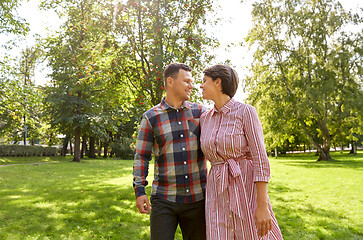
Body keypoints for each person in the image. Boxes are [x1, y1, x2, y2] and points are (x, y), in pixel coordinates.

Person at [199, 64, 283, 240]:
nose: (201, 85)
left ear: (218, 82)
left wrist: (262, 206)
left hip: (245, 189)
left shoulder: (246, 112)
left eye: (204, 81)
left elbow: (260, 160)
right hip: (216, 192)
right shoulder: (205, 119)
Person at [133, 63, 207, 240]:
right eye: (187, 81)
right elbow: (141, 156)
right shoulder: (151, 117)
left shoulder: (200, 112)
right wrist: (140, 190)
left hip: (198, 199)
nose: (191, 85)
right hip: (164, 200)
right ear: (170, 81)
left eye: (192, 81)